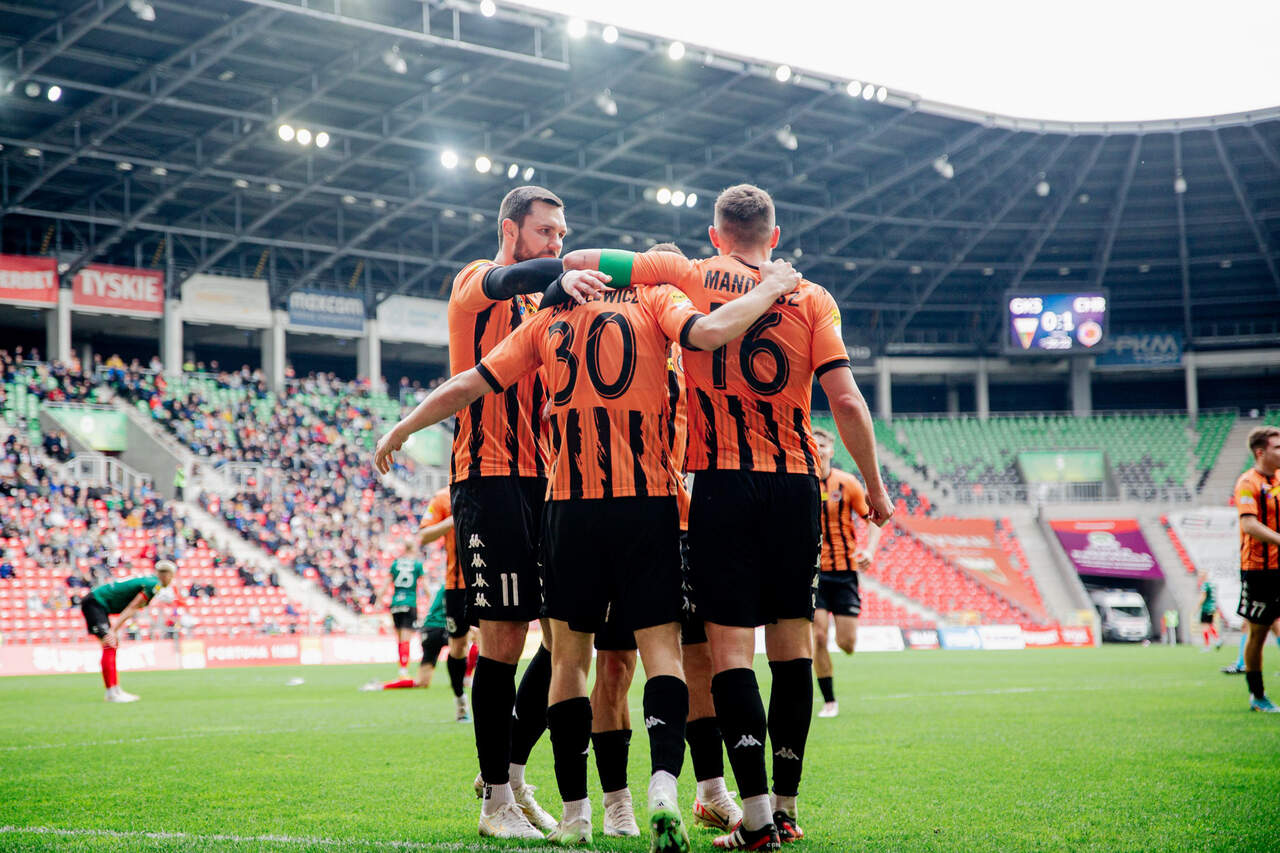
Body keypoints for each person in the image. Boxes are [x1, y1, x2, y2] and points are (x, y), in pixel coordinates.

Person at [375, 245, 803, 849]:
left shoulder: (550, 318)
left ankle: (577, 815)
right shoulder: (659, 302)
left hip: (568, 509)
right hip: (650, 504)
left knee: (568, 661)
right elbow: (708, 333)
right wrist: (770, 287)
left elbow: (472, 382)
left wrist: (404, 426)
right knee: (666, 656)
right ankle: (661, 788)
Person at [561, 183, 893, 850]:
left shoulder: (684, 272)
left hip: (719, 485)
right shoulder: (812, 296)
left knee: (731, 654)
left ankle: (758, 818)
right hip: (796, 484)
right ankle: (789, 808)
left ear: (715, 234)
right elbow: (848, 402)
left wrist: (567, 277)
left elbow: (580, 258)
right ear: (775, 236)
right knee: (793, 650)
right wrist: (876, 488)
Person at [376, 186, 609, 841]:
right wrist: (566, 270)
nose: (557, 242)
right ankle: (496, 805)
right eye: (546, 231)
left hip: (548, 482)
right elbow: (513, 277)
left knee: (566, 642)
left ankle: (507, 774)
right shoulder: (477, 281)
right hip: (490, 478)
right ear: (511, 229)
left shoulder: (543, 303)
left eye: (562, 234)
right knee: (503, 643)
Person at [576, 243, 743, 840]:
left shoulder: (692, 355)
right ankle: (617, 800)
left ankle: (711, 792)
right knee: (616, 665)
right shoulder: (620, 334)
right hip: (626, 516)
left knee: (698, 660)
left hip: (685, 525)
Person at [811, 427, 883, 719]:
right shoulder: (800, 484)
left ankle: (841, 640)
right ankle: (829, 701)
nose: (818, 449)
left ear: (831, 450)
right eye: (813, 444)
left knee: (847, 643)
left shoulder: (847, 483)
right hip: (814, 574)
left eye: (823, 444)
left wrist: (870, 551)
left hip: (844, 573)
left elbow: (874, 518)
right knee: (817, 637)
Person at [81, 560, 178, 702]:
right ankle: (112, 692)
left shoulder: (149, 580)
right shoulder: (154, 584)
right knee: (110, 643)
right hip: (95, 603)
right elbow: (133, 606)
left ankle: (114, 689)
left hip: (97, 603)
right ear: (168, 575)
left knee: (112, 644)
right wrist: (113, 630)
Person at [1233, 425, 1280, 712]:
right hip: (1260, 570)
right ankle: (1258, 695)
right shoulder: (1247, 483)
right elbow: (1249, 524)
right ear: (1261, 452)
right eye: (1278, 447)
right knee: (1258, 633)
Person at [420, 487, 471, 721]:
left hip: (490, 579)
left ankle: (498, 705)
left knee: (495, 641)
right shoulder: (443, 497)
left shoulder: (494, 484)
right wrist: (452, 519)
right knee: (458, 646)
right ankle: (460, 699)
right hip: (457, 585)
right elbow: (424, 535)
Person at [376, 541, 427, 680]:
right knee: (406, 639)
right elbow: (425, 586)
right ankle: (404, 670)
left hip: (396, 603)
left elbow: (385, 584)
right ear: (413, 549)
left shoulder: (395, 564)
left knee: (399, 639)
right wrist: (430, 601)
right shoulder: (417, 565)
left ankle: (402, 668)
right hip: (409, 603)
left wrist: (378, 600)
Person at [1197, 571, 1221, 652]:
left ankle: (1207, 646)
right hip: (1212, 608)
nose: (1199, 577)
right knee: (1210, 625)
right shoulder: (1211, 584)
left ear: (1204, 576)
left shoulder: (1205, 585)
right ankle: (1217, 639)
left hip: (1206, 608)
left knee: (1205, 626)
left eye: (1200, 576)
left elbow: (1203, 597)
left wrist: (1197, 606)